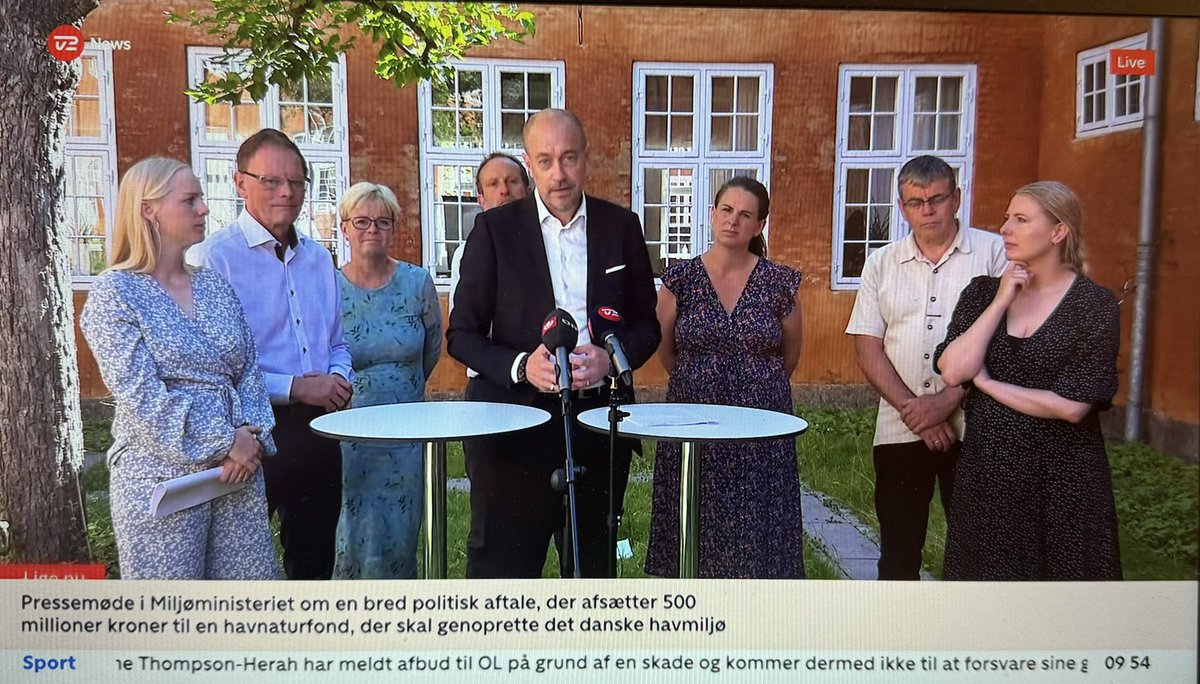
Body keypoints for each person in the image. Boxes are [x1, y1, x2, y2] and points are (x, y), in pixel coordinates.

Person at [447, 108, 660, 578]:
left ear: (586, 159)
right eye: (545, 161)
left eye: (568, 158)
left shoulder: (621, 227)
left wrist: (609, 359)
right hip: (512, 424)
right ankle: (499, 654)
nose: (559, 174)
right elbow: (461, 335)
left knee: (596, 564)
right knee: (503, 565)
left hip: (598, 423)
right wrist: (523, 365)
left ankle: (589, 651)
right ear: (529, 163)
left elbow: (648, 327)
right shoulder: (494, 231)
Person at [80, 157, 278, 579]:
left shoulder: (213, 285)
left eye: (201, 199)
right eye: (190, 200)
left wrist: (250, 440)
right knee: (171, 618)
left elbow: (249, 372)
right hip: (162, 477)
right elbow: (140, 394)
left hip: (235, 475)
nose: (204, 209)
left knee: (247, 613)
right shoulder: (115, 293)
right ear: (148, 209)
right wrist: (225, 440)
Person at [935, 181, 1121, 580]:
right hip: (990, 474)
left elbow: (1071, 406)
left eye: (1020, 219)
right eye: (1006, 218)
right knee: (986, 608)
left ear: (1058, 232)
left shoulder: (1093, 305)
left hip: (1064, 481)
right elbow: (952, 370)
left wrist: (986, 385)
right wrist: (1002, 300)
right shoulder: (983, 292)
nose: (1005, 229)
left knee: (1061, 611)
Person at [188, 128, 353, 580]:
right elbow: (212, 366)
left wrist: (338, 378)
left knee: (315, 559)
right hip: (250, 433)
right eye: (271, 181)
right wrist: (296, 386)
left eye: (297, 182)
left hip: (320, 430)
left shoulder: (320, 259)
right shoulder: (213, 259)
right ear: (240, 184)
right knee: (243, 568)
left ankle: (307, 649)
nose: (286, 192)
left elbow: (336, 341)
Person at [845, 155, 1006, 580]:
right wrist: (917, 410)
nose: (927, 210)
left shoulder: (993, 254)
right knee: (898, 552)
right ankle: (899, 640)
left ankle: (970, 642)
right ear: (901, 207)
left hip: (977, 426)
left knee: (979, 552)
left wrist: (949, 400)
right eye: (916, 202)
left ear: (956, 199)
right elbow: (867, 344)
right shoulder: (881, 262)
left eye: (937, 199)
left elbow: (1005, 342)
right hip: (900, 426)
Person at [644, 176, 805, 578]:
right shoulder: (681, 280)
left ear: (759, 225)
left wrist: (753, 381)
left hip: (760, 422)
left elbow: (790, 355)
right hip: (695, 419)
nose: (733, 221)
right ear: (713, 215)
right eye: (727, 210)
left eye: (745, 214)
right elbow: (665, 348)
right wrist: (699, 378)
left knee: (757, 528)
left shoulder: (778, 283)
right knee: (695, 515)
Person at [333, 182, 441, 579]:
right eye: (361, 221)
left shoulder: (417, 283)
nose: (371, 230)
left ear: (394, 228)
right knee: (348, 531)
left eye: (382, 221)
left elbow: (432, 349)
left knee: (400, 534)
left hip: (405, 431)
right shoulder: (328, 286)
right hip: (348, 432)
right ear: (345, 227)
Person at [448, 152, 532, 379]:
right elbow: (464, 332)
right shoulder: (465, 254)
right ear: (481, 199)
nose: (504, 190)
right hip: (493, 377)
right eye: (493, 184)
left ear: (527, 190)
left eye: (512, 181)